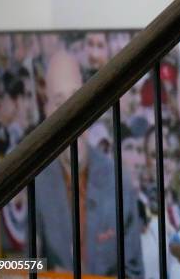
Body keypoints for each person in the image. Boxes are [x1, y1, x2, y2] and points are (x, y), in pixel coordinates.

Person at [35, 51, 144, 277]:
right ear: (47, 111)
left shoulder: (118, 181)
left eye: (76, 97)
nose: (70, 111)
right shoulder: (37, 185)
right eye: (59, 101)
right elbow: (29, 266)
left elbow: (134, 272)